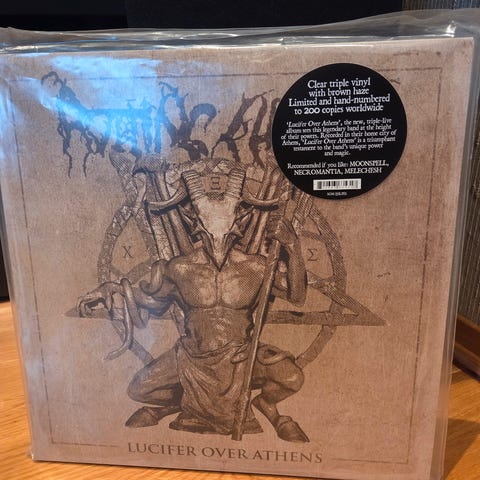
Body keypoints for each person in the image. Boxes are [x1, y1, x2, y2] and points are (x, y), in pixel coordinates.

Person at [78, 166, 309, 442]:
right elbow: (148, 302)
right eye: (206, 215)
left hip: (242, 356)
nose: (217, 223)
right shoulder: (180, 269)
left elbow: (297, 296)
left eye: (226, 213)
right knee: (139, 389)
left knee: (292, 377)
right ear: (195, 220)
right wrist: (112, 290)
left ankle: (268, 406)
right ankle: (177, 405)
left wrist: (293, 247)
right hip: (191, 357)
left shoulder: (256, 267)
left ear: (239, 218)